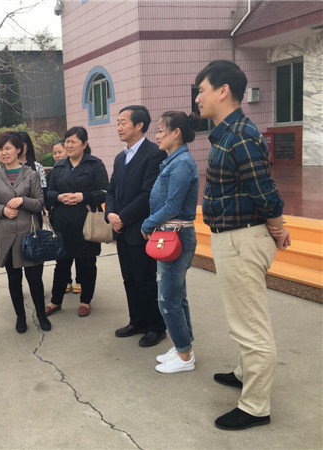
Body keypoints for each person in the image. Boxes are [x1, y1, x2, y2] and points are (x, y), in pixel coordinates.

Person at [195, 60, 289, 430]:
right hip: (233, 238)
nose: (198, 98)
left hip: (242, 240)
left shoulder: (241, 136)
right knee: (243, 317)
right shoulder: (227, 134)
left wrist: (278, 228)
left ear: (223, 91)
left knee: (251, 326)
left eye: (202, 90)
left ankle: (255, 407)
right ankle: (243, 372)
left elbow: (265, 192)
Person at [140, 111, 200, 374]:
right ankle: (182, 346)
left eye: (161, 130)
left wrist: (147, 223)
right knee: (177, 296)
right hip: (170, 234)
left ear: (176, 133)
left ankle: (185, 356)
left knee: (168, 299)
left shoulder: (182, 164)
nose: (157, 135)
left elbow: (173, 205)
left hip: (175, 236)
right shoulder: (174, 161)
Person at [105, 106, 168, 347]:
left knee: (146, 280)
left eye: (123, 122)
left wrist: (122, 217)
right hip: (121, 230)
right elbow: (111, 190)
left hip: (141, 229)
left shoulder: (154, 154)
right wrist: (110, 214)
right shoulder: (120, 157)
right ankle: (137, 321)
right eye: (118, 123)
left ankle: (156, 326)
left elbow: (148, 194)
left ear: (139, 125)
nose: (119, 127)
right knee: (129, 279)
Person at [0, 131, 51, 333]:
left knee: (35, 279)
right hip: (6, 234)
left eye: (7, 148)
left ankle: (41, 315)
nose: (3, 153)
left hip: (29, 234)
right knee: (14, 280)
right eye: (0, 149)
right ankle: (20, 317)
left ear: (19, 150)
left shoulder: (31, 174)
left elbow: (39, 203)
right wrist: (3, 210)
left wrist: (23, 200)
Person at [45, 126, 108, 317]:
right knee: (61, 263)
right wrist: (59, 197)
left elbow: (105, 192)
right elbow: (49, 192)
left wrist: (83, 196)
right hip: (62, 222)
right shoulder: (59, 166)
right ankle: (55, 301)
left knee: (86, 263)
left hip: (86, 221)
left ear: (84, 144)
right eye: (67, 141)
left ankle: (85, 301)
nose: (69, 145)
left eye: (73, 141)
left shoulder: (95, 164)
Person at [48, 140, 81, 295]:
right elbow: (48, 192)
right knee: (62, 253)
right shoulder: (54, 171)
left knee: (80, 253)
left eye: (60, 152)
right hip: (59, 217)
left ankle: (80, 280)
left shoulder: (79, 169)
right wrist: (55, 199)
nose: (57, 155)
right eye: (54, 153)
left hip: (78, 218)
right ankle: (67, 281)